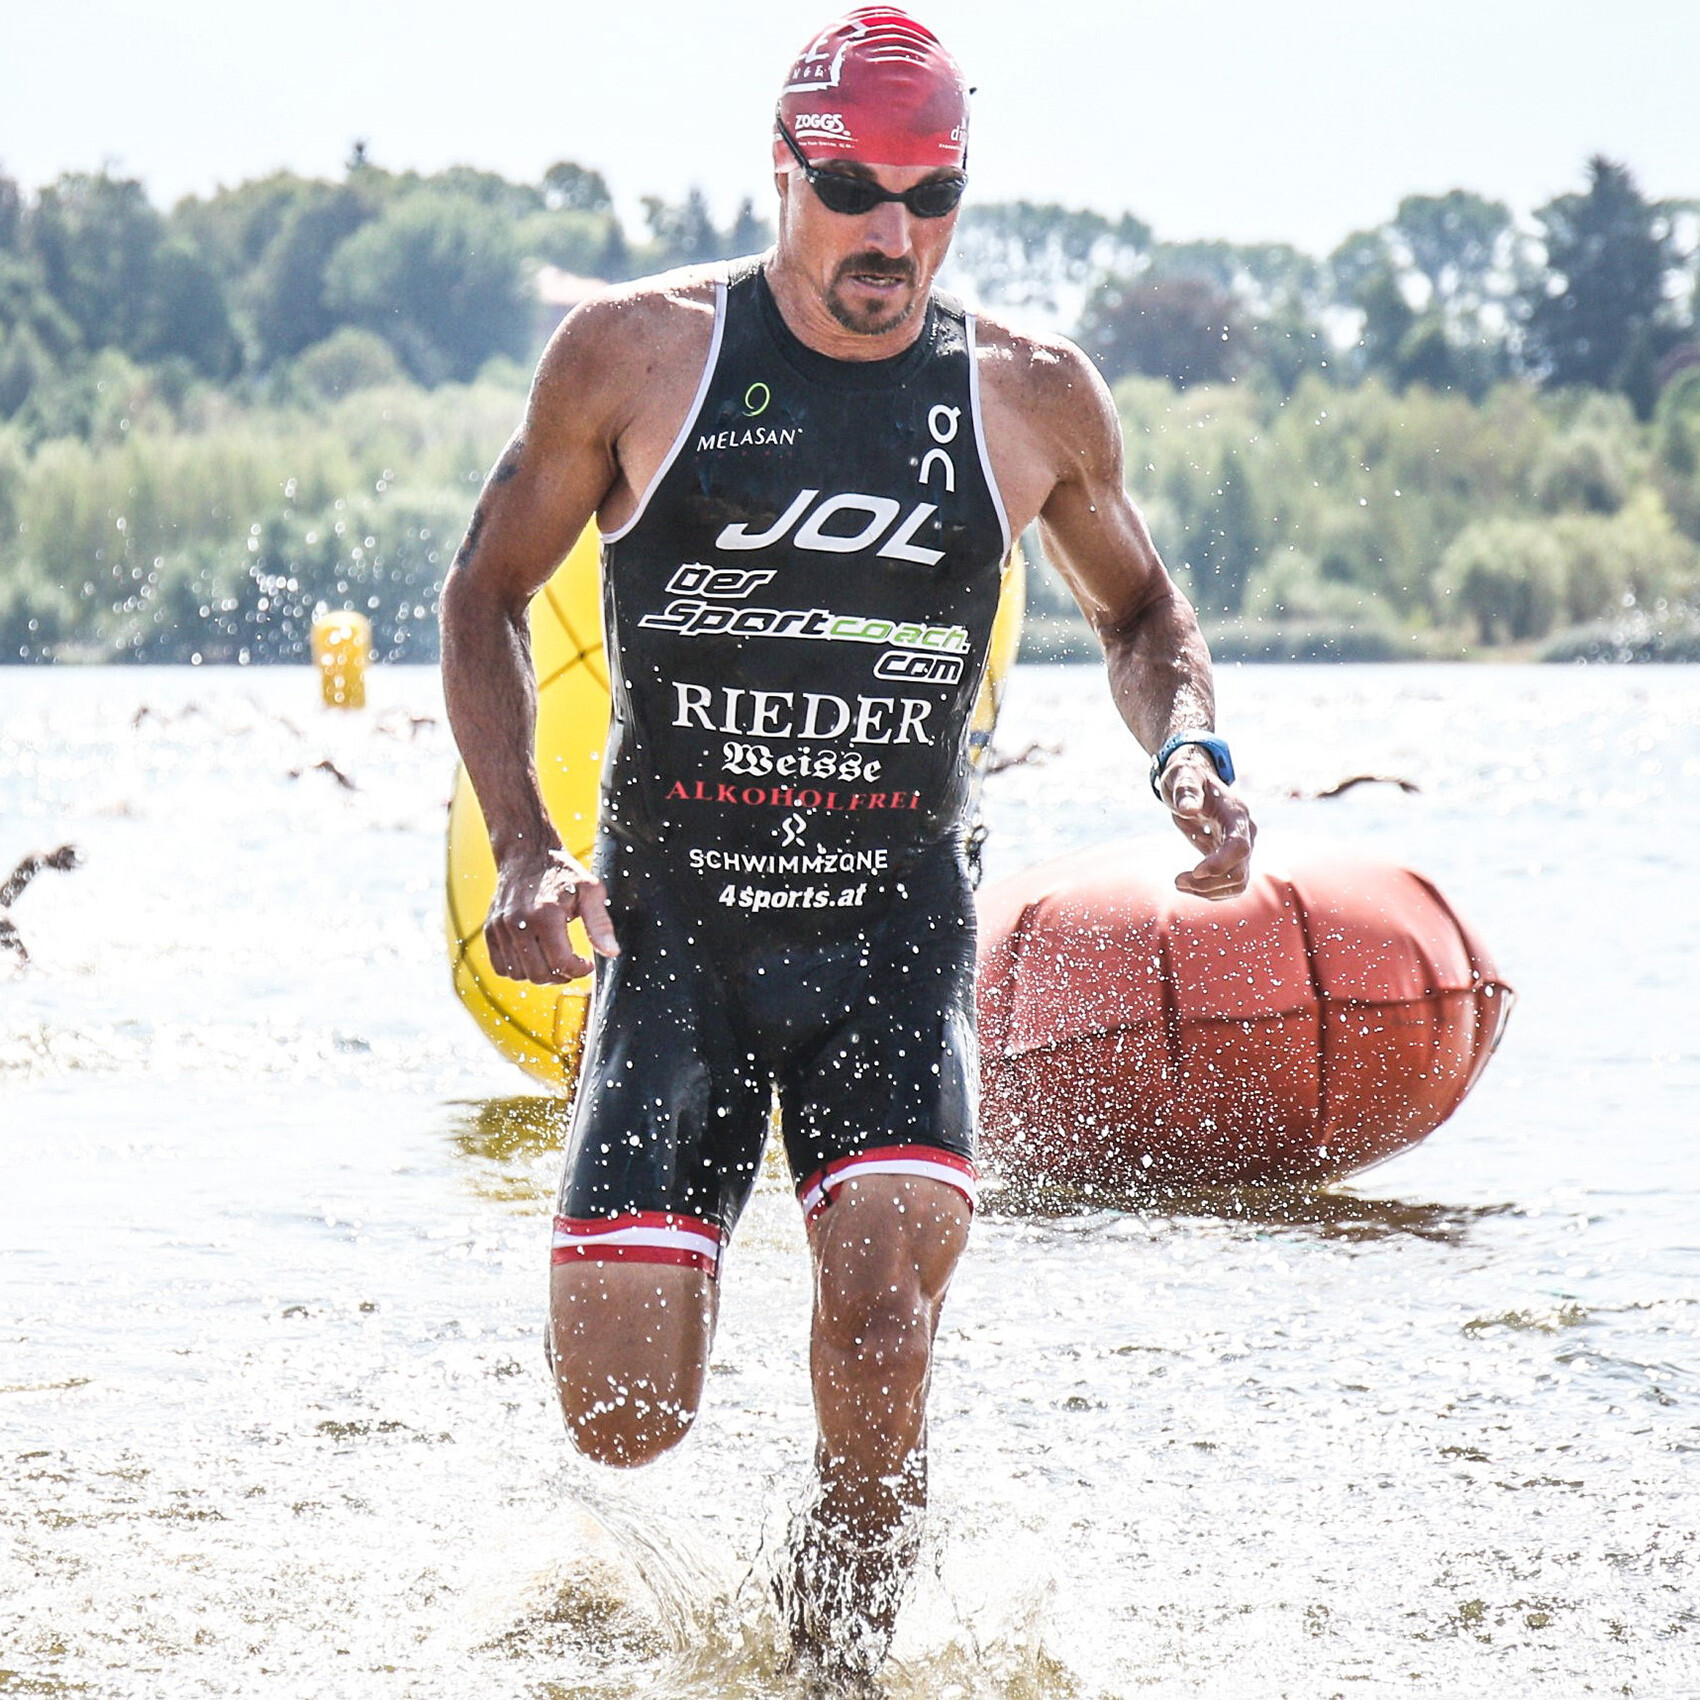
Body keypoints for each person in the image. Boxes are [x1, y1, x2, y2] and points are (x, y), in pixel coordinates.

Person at [439, 6, 1255, 1683]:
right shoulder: (634, 355)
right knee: (624, 1418)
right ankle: (676, 1239)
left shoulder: (1028, 394)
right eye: (856, 188)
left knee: (879, 1315)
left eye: (931, 192)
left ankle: (836, 1660)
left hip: (891, 938)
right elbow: (484, 595)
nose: (893, 232)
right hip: (676, 944)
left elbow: (1146, 608)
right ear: (785, 171)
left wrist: (1186, 746)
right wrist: (523, 845)